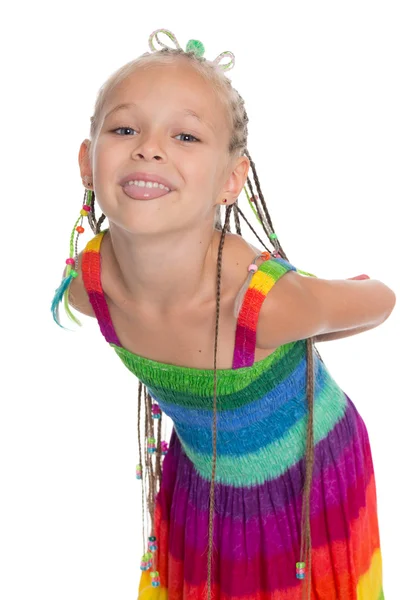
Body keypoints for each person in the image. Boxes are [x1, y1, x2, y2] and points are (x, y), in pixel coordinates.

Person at [51, 28, 395, 600]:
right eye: (125, 128)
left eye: (185, 134)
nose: (149, 148)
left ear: (230, 181)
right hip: (204, 483)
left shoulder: (268, 306)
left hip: (304, 485)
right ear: (88, 162)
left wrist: (304, 319)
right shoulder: (90, 288)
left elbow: (381, 300)